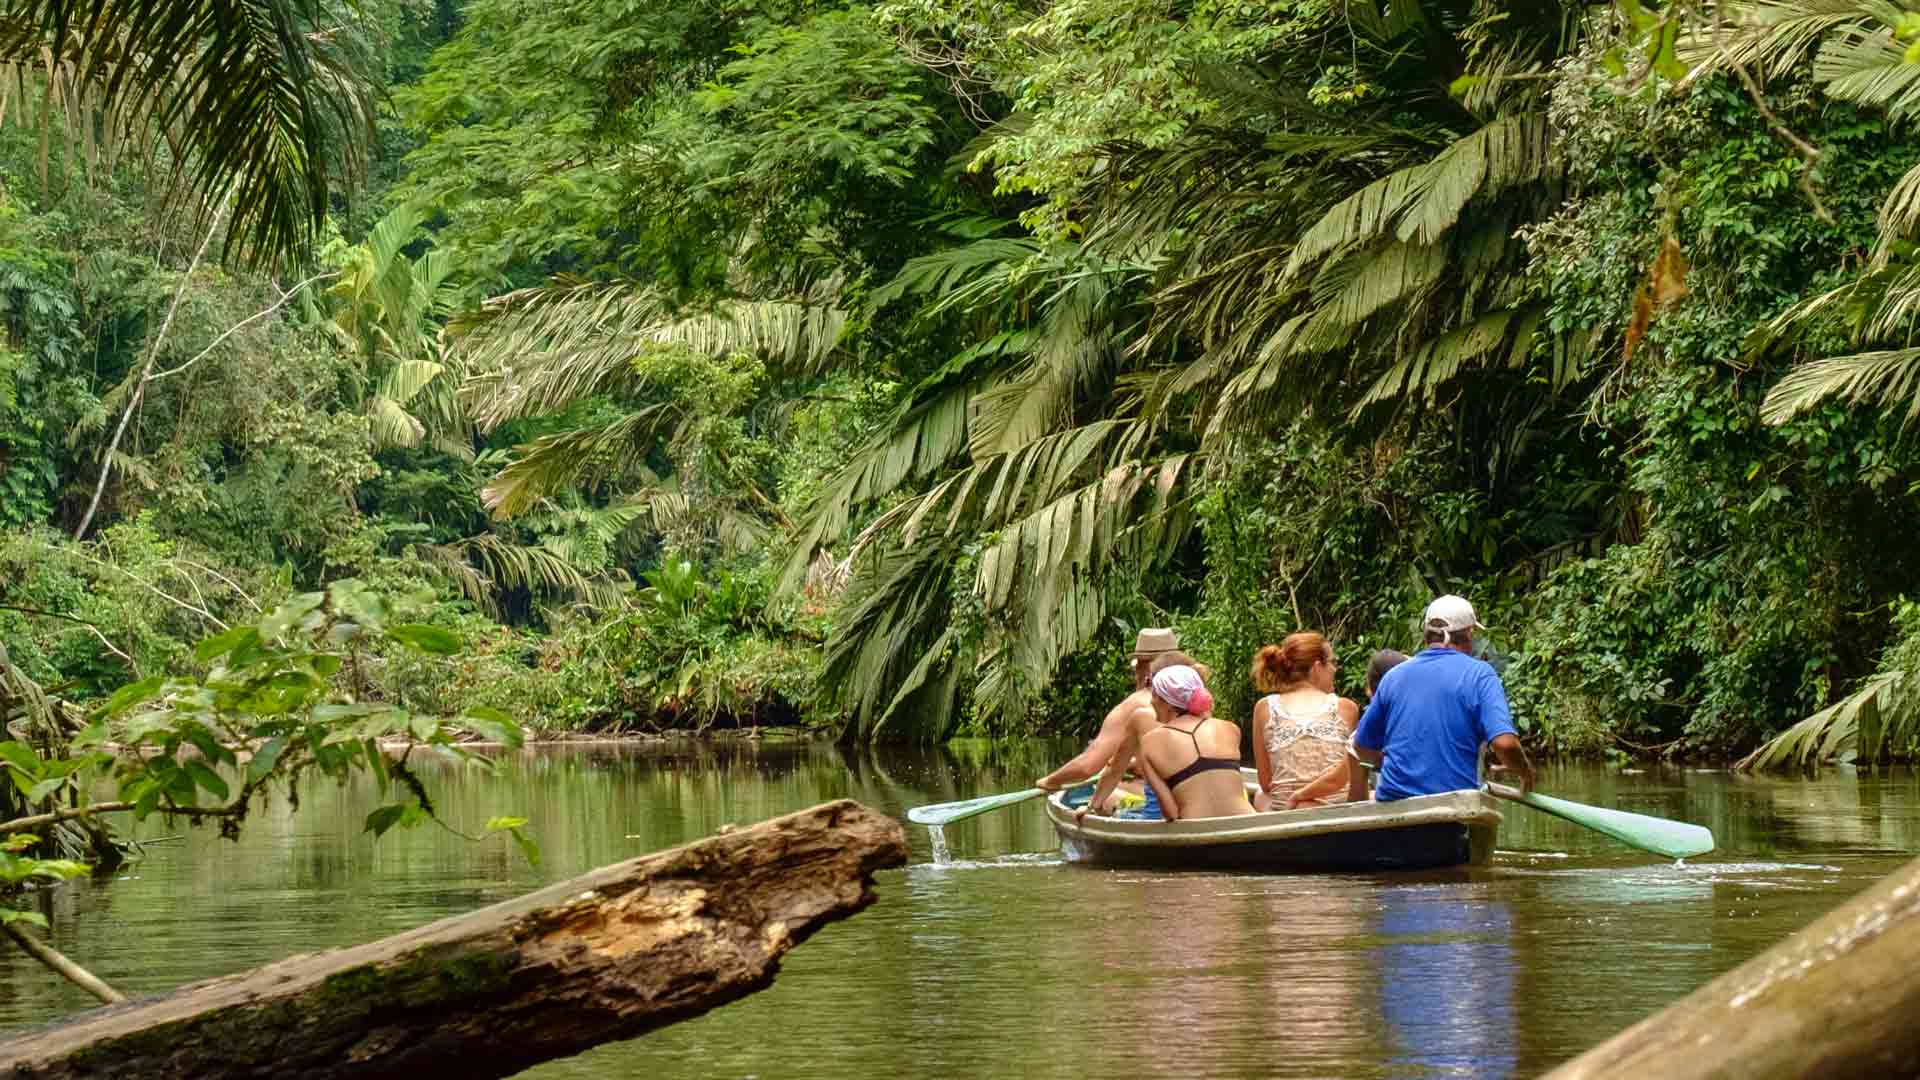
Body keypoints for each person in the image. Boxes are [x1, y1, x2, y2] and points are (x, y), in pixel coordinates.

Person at [1350, 595, 1534, 801]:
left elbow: (1361, 747)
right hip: (1453, 805)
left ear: (1427, 636)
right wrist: (1524, 771)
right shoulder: (1480, 674)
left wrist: (1395, 766)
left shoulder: (1393, 677)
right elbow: (1505, 744)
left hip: (1394, 804)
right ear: (1469, 633)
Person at [1035, 628, 1178, 807]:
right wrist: (1133, 764)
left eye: (1135, 667)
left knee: (1106, 792)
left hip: (1160, 801)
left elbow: (1087, 766)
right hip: (1190, 794)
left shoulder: (1136, 704)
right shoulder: (1194, 698)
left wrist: (1050, 781)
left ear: (1144, 668)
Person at [1249, 632, 1361, 810]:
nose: (1335, 669)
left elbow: (1266, 782)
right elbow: (1354, 775)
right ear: (1316, 667)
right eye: (1331, 662)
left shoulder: (1264, 707)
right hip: (1336, 811)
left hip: (1288, 811)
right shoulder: (1346, 708)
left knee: (1261, 796)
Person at [1136, 664, 1255, 821]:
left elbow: (1171, 813)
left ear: (1168, 702)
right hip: (1247, 823)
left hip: (1197, 829)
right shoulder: (1230, 729)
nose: (1151, 701)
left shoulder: (1149, 743)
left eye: (1154, 695)